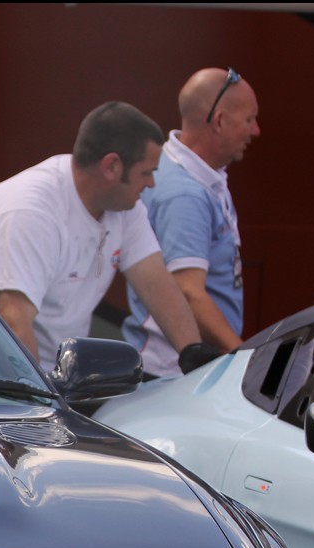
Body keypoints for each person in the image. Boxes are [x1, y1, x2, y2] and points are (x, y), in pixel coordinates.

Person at [0, 102, 211, 374]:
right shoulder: (32, 212)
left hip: (50, 376)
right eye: (146, 173)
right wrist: (45, 403)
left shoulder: (125, 208)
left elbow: (157, 283)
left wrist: (191, 351)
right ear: (112, 166)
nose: (151, 184)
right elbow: (14, 319)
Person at [123, 68, 259, 378]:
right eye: (249, 120)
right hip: (175, 375)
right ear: (220, 121)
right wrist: (245, 361)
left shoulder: (192, 173)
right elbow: (188, 292)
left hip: (183, 370)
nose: (255, 132)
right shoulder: (185, 195)